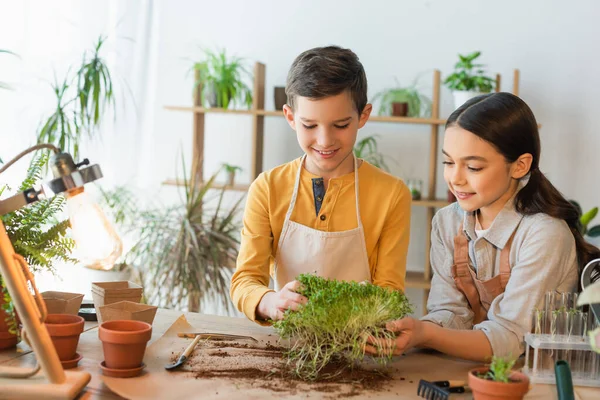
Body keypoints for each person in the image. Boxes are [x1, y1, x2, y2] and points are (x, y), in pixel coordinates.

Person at [366, 92, 600, 361]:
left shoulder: (545, 234)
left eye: (473, 167)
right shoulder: (447, 222)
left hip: (543, 377)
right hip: (477, 371)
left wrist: (426, 334)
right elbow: (449, 312)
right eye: (448, 162)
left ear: (520, 165)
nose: (455, 179)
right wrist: (416, 330)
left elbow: (511, 338)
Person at [230, 46, 411, 324]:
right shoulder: (268, 188)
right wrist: (270, 301)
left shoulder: (391, 194)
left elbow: (390, 291)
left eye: (340, 125)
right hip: (286, 347)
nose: (325, 141)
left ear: (363, 116)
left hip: (360, 346)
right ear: (290, 117)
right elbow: (245, 280)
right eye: (309, 125)